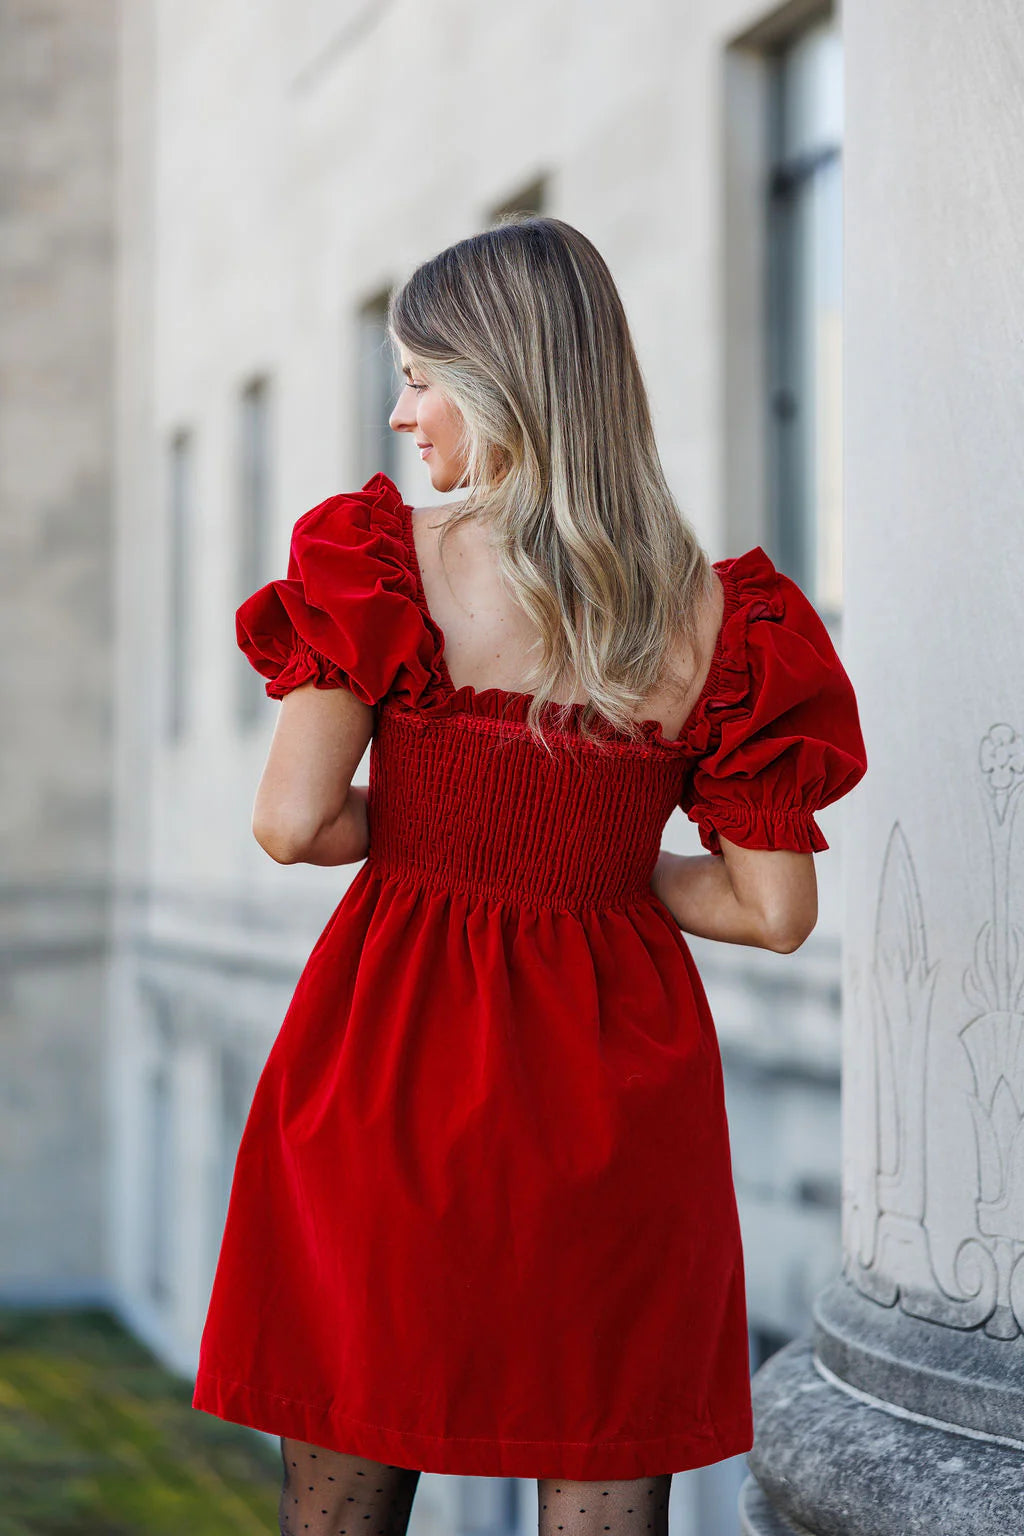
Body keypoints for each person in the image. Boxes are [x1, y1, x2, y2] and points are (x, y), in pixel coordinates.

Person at [191, 215, 867, 1536]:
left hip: (392, 1057)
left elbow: (292, 824)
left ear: (504, 381)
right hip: (615, 1086)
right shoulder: (726, 617)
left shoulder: (384, 564)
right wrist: (593, 854)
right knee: (604, 1461)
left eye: (422, 377)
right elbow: (774, 910)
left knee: (344, 1487)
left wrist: (457, 826)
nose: (402, 417)